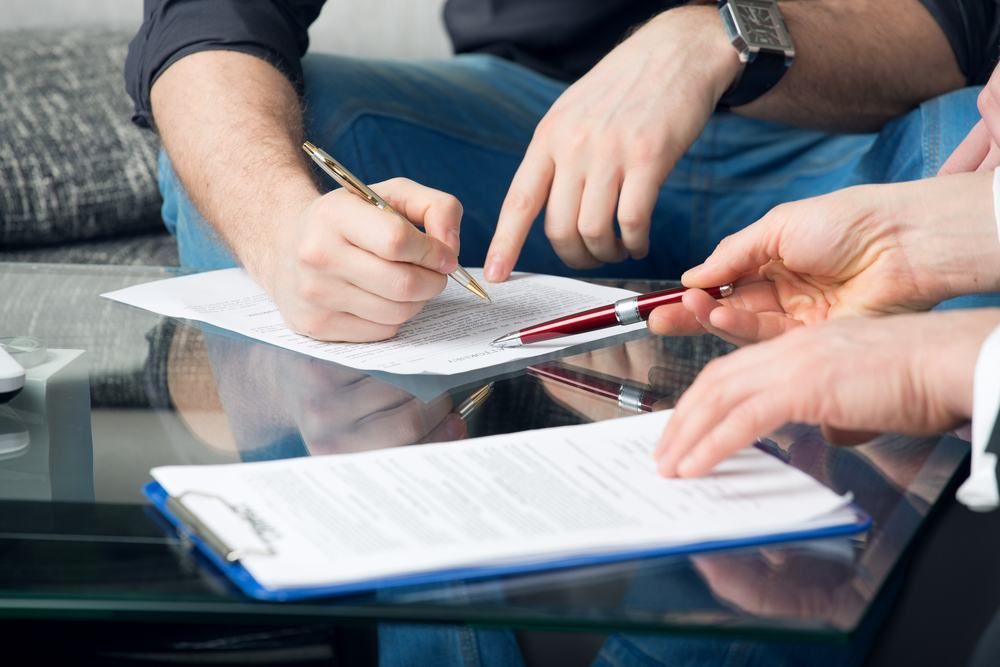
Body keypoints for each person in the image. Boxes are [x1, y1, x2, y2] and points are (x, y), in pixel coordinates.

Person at [127, 1, 995, 342]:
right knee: (253, 149)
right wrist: (283, 235)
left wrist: (721, 35)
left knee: (977, 193)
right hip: (528, 132)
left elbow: (970, 20)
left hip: (870, 142)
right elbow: (207, 19)